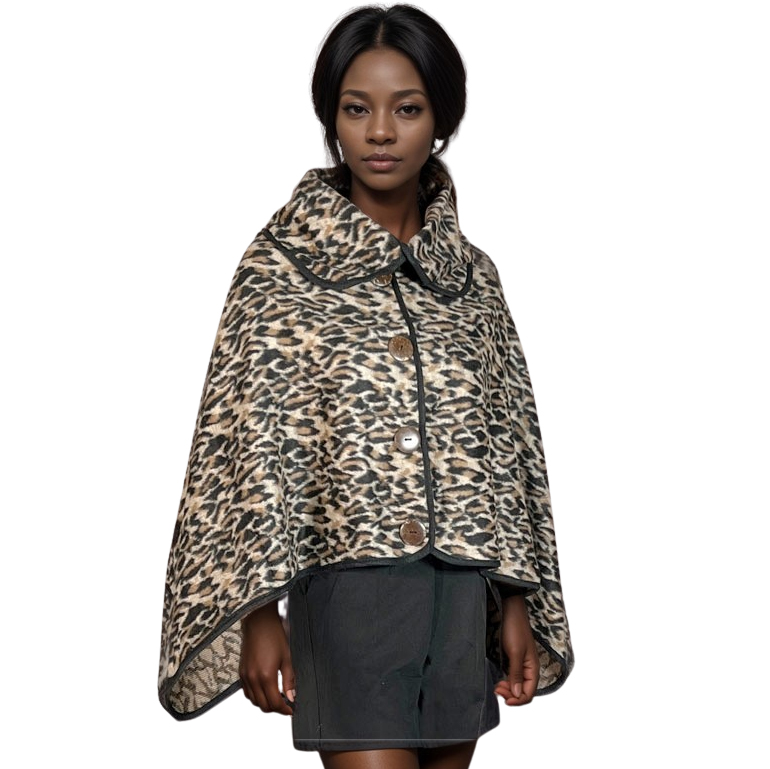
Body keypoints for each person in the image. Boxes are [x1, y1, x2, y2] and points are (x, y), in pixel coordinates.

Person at [157, 5, 574, 769]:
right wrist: (258, 611)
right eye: (357, 109)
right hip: (349, 597)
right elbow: (243, 448)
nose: (380, 132)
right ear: (332, 119)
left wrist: (514, 598)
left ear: (441, 121)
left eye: (406, 109)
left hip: (462, 599)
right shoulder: (281, 267)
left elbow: (508, 442)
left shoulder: (473, 279)